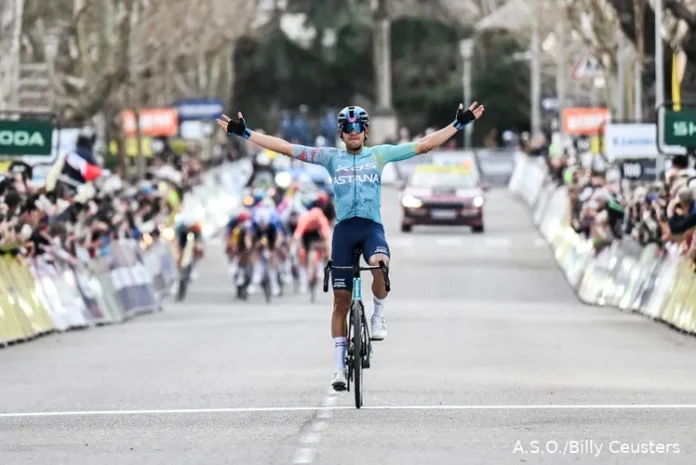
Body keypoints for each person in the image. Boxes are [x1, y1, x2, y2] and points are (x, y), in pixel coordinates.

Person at [217, 102, 484, 390]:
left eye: (358, 128)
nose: (353, 132)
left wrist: (457, 125)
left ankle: (379, 315)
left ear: (366, 132)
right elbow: (285, 148)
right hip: (344, 232)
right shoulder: (330, 158)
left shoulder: (380, 155)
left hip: (371, 229)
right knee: (340, 302)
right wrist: (246, 134)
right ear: (341, 134)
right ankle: (338, 369)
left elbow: (423, 146)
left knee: (381, 265)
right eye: (347, 128)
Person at [293, 206, 332, 293]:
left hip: (316, 236)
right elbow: (297, 236)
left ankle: (318, 269)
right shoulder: (304, 219)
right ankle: (303, 281)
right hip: (305, 236)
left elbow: (326, 238)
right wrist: (300, 249)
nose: (314, 222)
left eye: (316, 221)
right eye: (313, 221)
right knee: (301, 254)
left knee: (324, 249)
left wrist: (327, 252)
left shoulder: (322, 220)